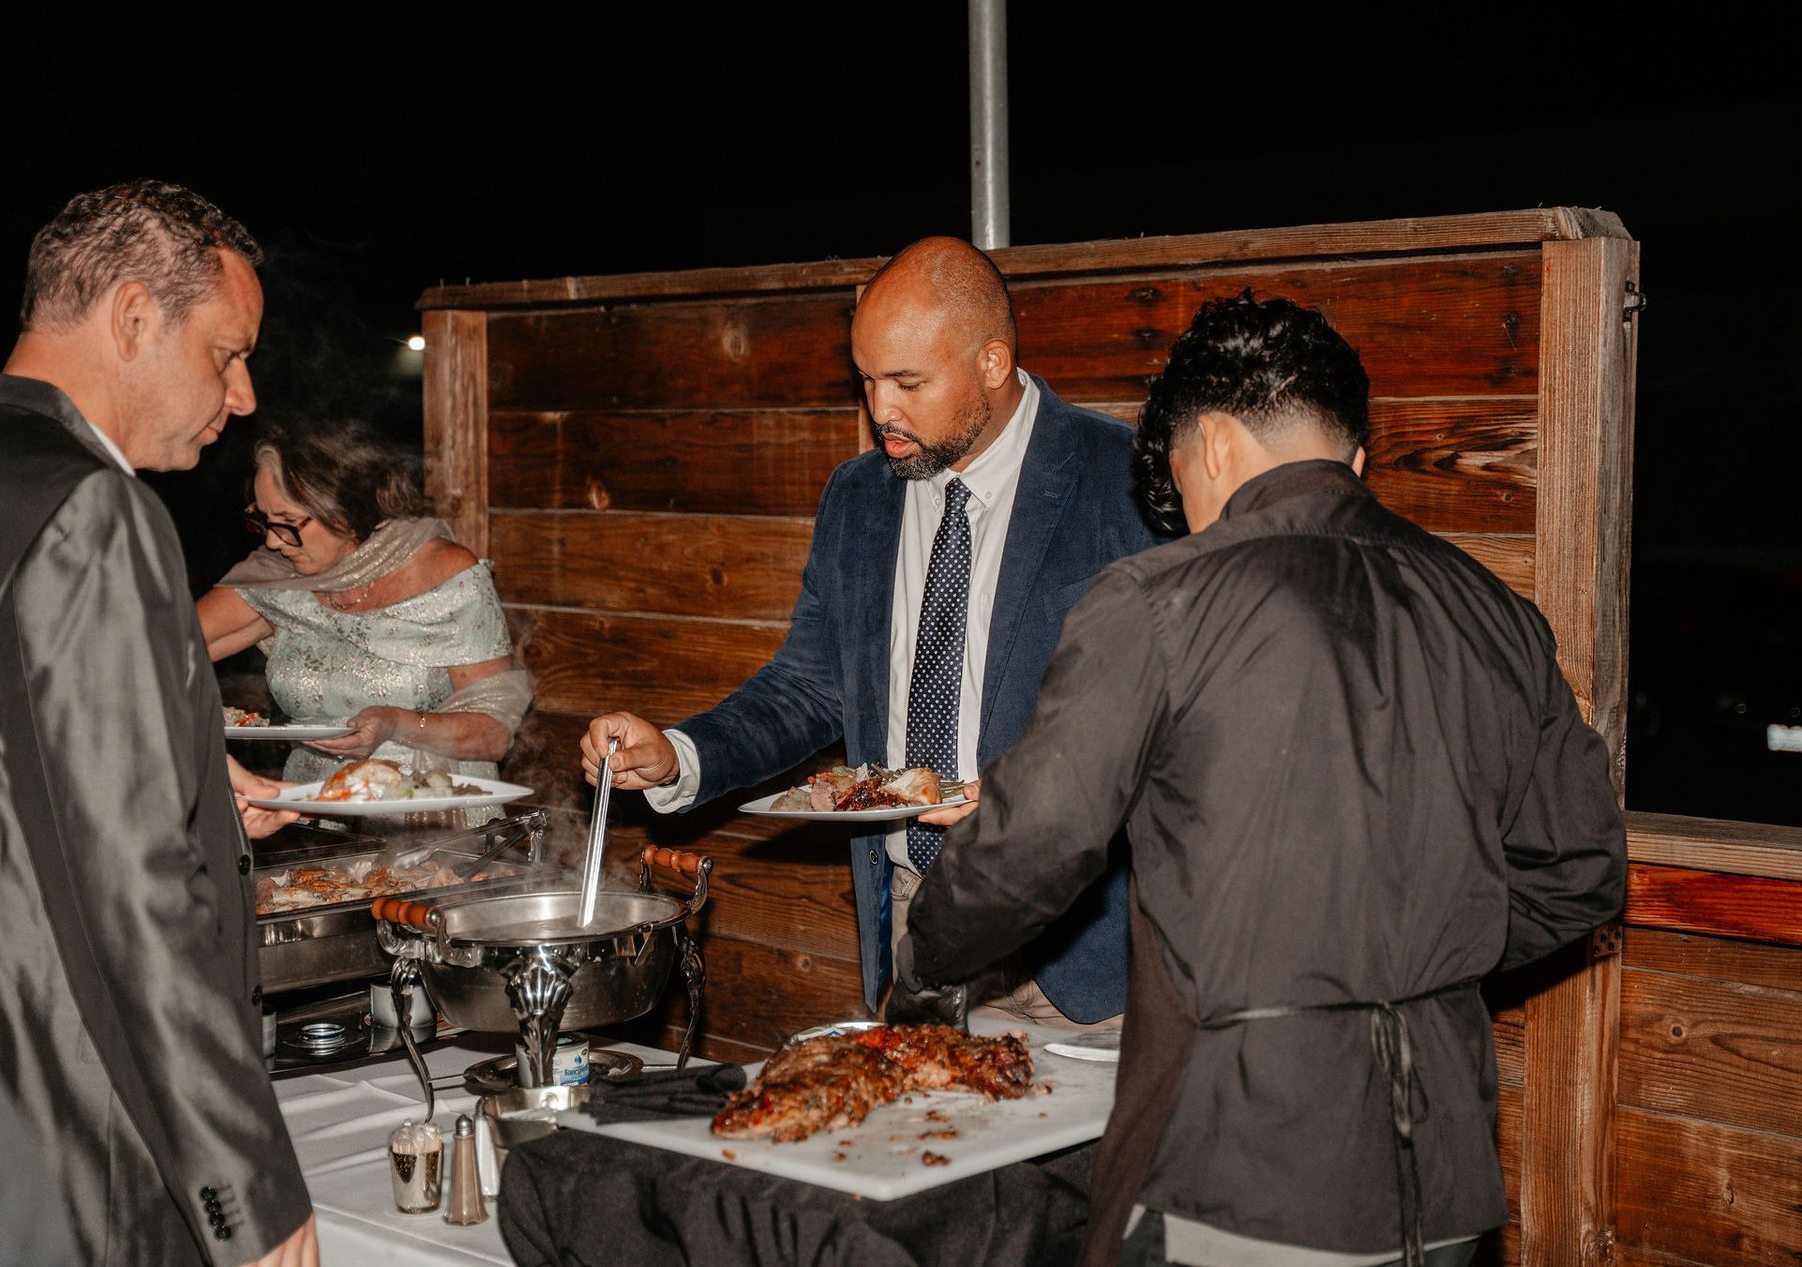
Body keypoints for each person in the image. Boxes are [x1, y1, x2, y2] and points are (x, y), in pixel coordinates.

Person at [900, 292, 1628, 1267]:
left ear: (1210, 445)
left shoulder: (1158, 601)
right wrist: (1413, 963)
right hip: (1446, 1175)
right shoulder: (1495, 613)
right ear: (1353, 459)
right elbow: (1580, 870)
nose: (1184, 517)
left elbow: (1030, 848)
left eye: (1177, 486)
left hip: (1240, 1169)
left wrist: (924, 961)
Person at [581, 236, 1158, 1025]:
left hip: (1083, 949)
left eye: (907, 382)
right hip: (913, 927)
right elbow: (808, 686)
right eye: (866, 379)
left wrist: (1043, 804)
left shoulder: (1126, 480)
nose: (880, 409)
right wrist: (680, 754)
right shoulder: (857, 497)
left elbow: (1185, 719)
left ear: (992, 362)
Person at [0, 182, 317, 1264]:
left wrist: (191, 774)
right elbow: (133, 883)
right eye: (226, 353)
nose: (241, 394)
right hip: (76, 1135)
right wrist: (249, 1190)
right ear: (135, 317)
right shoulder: (96, 508)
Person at [196, 419, 531, 785]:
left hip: (430, 815)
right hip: (313, 813)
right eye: (264, 520)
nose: (274, 542)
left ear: (347, 513)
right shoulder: (276, 577)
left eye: (287, 521)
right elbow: (162, 655)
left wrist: (396, 724)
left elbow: (493, 735)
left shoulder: (446, 573)